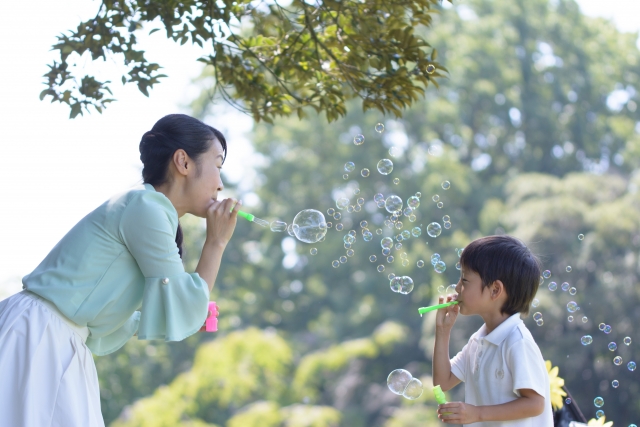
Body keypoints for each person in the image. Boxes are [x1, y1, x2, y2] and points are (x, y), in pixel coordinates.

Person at [0, 114, 241, 427]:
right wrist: (216, 243)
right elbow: (187, 306)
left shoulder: (149, 209)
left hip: (60, 338)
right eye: (218, 165)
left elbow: (136, 311)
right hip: (39, 334)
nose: (220, 184)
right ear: (183, 161)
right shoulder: (146, 207)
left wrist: (182, 313)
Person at [432, 235, 553, 426]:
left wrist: (477, 414)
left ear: (495, 290)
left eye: (464, 280)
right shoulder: (478, 341)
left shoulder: (517, 342)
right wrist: (442, 331)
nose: (457, 288)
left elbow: (536, 403)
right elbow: (442, 382)